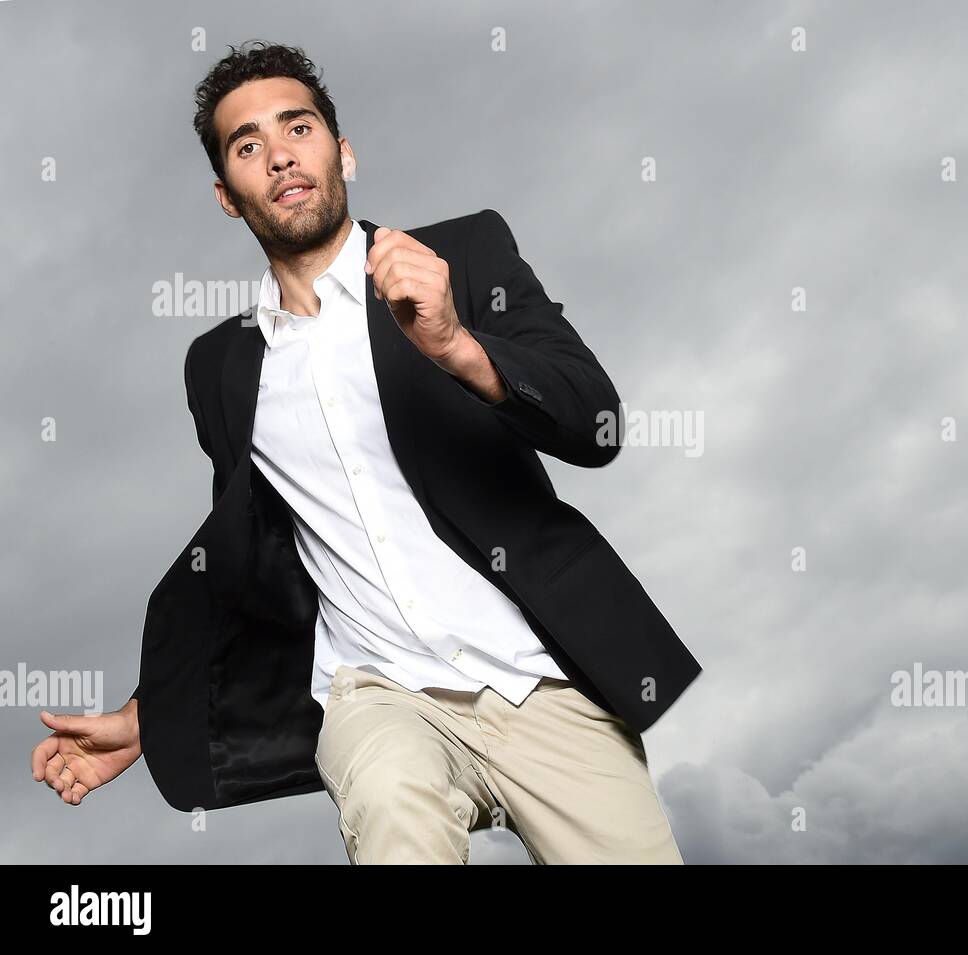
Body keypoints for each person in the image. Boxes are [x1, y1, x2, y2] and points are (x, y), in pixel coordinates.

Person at [31, 40, 702, 864]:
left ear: (342, 151)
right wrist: (149, 713)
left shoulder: (462, 255)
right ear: (226, 196)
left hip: (543, 680)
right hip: (379, 698)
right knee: (388, 803)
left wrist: (458, 345)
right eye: (248, 146)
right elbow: (251, 563)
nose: (279, 155)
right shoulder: (220, 367)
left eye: (298, 128)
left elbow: (594, 423)